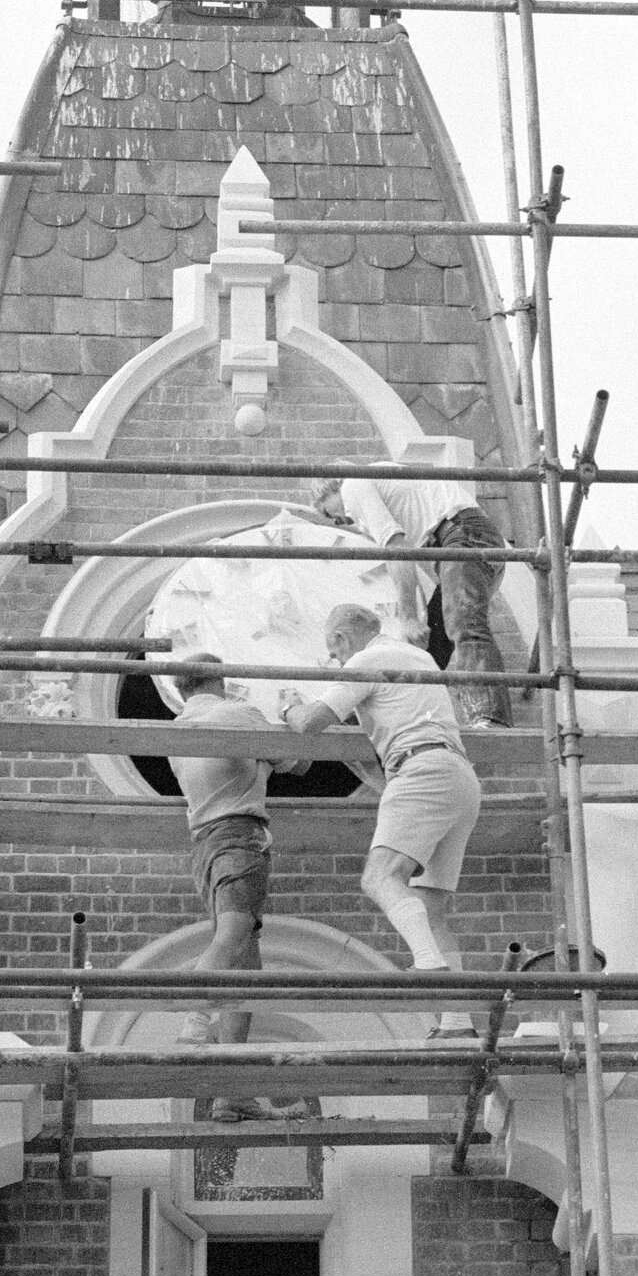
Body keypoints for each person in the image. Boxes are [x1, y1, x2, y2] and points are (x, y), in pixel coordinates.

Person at [280, 603, 482, 1032]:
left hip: (421, 771)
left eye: (332, 653)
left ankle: (428, 963)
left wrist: (289, 706)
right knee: (431, 911)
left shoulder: (365, 660)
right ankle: (457, 1022)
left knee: (379, 878)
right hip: (459, 778)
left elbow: (311, 723)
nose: (335, 662)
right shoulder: (418, 657)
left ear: (340, 638)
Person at [164, 655, 277, 1114]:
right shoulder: (239, 713)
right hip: (239, 836)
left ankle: (233, 1093)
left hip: (204, 845)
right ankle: (194, 1024)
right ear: (221, 680)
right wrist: (289, 713)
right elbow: (301, 761)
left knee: (246, 973)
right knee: (232, 936)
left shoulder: (175, 732)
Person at [316, 469, 512, 727]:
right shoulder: (386, 488)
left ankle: (491, 717)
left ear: (332, 486)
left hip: (461, 536)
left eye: (331, 514)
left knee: (463, 624)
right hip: (464, 539)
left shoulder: (353, 484)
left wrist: (407, 617)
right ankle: (404, 721)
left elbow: (396, 549)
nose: (343, 521)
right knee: (430, 652)